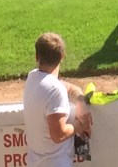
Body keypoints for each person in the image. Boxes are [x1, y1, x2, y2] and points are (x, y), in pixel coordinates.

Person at [23, 33, 92, 167]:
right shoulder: (55, 90)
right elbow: (58, 134)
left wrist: (80, 103)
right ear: (62, 56)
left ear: (37, 57)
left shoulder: (32, 77)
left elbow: (70, 88)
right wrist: (80, 125)